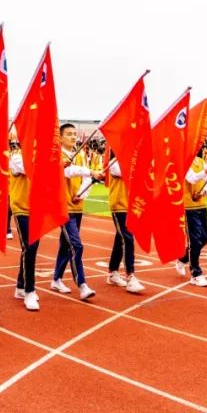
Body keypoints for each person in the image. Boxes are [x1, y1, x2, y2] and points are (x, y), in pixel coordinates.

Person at [51, 124, 104, 300]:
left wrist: (81, 193)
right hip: (62, 207)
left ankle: (56, 279)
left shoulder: (80, 154)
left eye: (75, 134)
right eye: (69, 134)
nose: (73, 137)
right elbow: (68, 171)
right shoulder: (57, 155)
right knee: (76, 245)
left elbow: (86, 178)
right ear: (60, 137)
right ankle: (82, 284)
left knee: (66, 245)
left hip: (76, 205)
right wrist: (90, 172)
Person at [8, 141, 41, 310]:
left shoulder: (41, 157)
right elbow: (32, 169)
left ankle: (20, 286)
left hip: (37, 208)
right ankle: (29, 290)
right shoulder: (17, 157)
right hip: (21, 207)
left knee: (32, 248)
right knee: (29, 246)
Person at [105, 158, 145, 294]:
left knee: (120, 237)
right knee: (127, 238)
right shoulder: (115, 161)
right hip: (119, 203)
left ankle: (112, 271)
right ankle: (130, 276)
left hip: (130, 203)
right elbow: (119, 171)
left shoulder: (133, 159)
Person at [177, 148, 207, 286]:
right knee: (195, 240)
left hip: (201, 204)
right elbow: (192, 178)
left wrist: (203, 191)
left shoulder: (200, 161)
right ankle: (195, 273)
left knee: (204, 238)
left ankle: (182, 259)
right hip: (189, 206)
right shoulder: (183, 162)